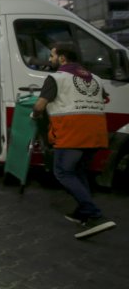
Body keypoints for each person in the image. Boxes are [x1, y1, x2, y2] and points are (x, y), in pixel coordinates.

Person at [31, 42, 117, 239]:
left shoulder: (56, 77)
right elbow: (103, 97)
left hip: (72, 133)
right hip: (96, 133)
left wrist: (35, 116)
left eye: (52, 56)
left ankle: (95, 215)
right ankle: (82, 214)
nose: (50, 59)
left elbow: (39, 106)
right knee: (78, 171)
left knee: (63, 172)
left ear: (62, 58)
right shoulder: (95, 78)